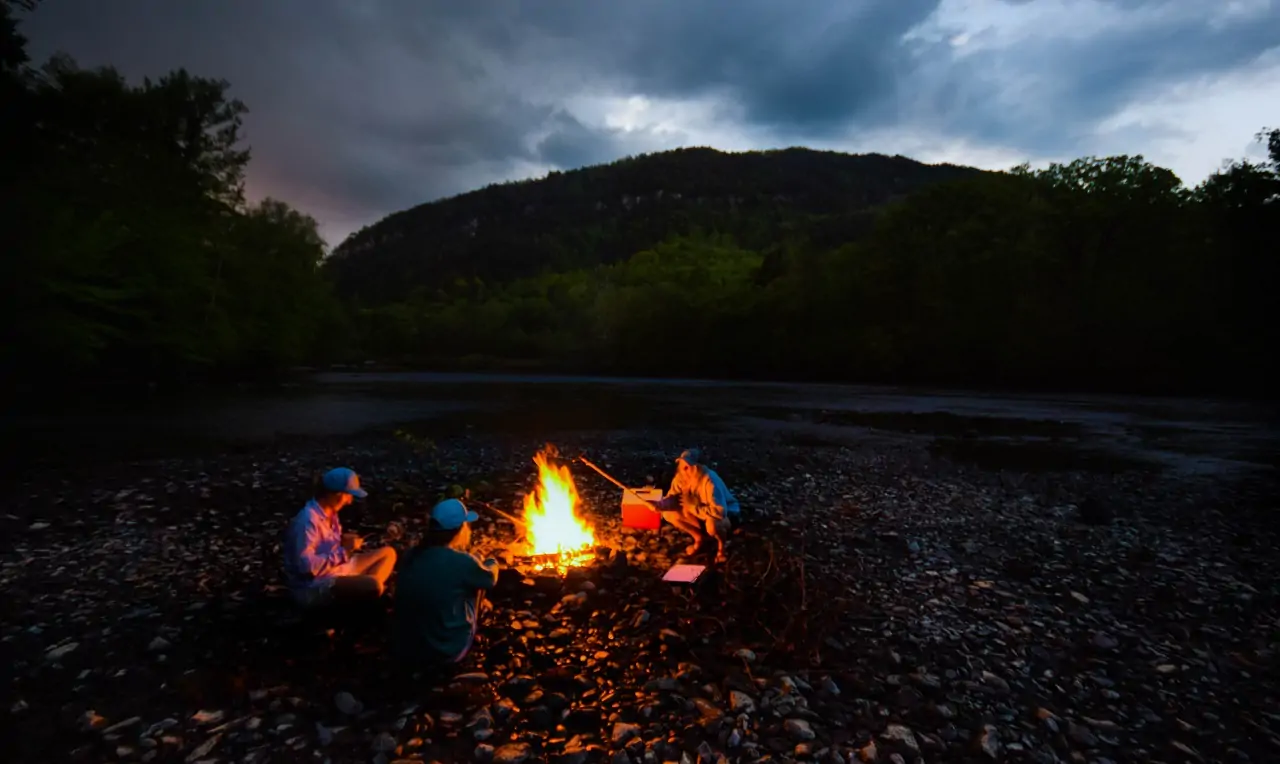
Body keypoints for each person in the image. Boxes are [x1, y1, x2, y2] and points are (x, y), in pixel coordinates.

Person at [395, 499, 500, 668]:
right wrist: (492, 561)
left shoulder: (412, 554)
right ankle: (472, 629)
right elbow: (490, 580)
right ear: (459, 529)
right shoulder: (461, 561)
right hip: (446, 649)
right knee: (477, 580)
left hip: (408, 646)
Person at [282, 467, 397, 608]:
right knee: (373, 584)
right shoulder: (307, 521)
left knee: (388, 553)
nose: (349, 501)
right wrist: (344, 551)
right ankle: (364, 594)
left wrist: (343, 541)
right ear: (335, 494)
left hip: (338, 569)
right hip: (315, 585)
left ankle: (365, 592)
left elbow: (324, 547)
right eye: (348, 495)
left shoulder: (331, 514)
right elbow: (306, 567)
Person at [654, 448, 739, 563]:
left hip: (725, 515)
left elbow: (720, 511)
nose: (684, 469)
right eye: (682, 465)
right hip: (698, 513)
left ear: (698, 467)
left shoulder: (709, 481)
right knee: (668, 514)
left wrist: (693, 507)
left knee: (713, 525)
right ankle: (699, 538)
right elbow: (673, 498)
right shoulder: (681, 478)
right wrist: (660, 505)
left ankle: (721, 546)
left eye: (688, 466)